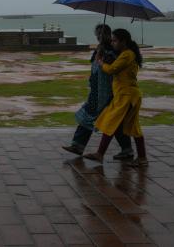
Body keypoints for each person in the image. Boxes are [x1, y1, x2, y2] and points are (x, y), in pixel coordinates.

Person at [62, 24, 134, 159]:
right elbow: (94, 67)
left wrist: (103, 56)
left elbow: (111, 68)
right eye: (98, 34)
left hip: (108, 92)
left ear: (108, 35)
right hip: (96, 91)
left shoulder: (113, 51)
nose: (100, 37)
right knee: (92, 117)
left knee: (111, 121)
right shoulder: (99, 49)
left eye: (102, 34)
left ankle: (126, 149)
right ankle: (78, 145)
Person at [84, 29, 148, 167]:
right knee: (131, 127)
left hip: (127, 96)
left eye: (114, 40)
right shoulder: (126, 54)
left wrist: (101, 63)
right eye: (112, 40)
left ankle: (100, 154)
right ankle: (142, 158)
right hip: (124, 96)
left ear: (123, 41)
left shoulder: (127, 55)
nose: (112, 43)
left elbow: (112, 69)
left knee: (110, 122)